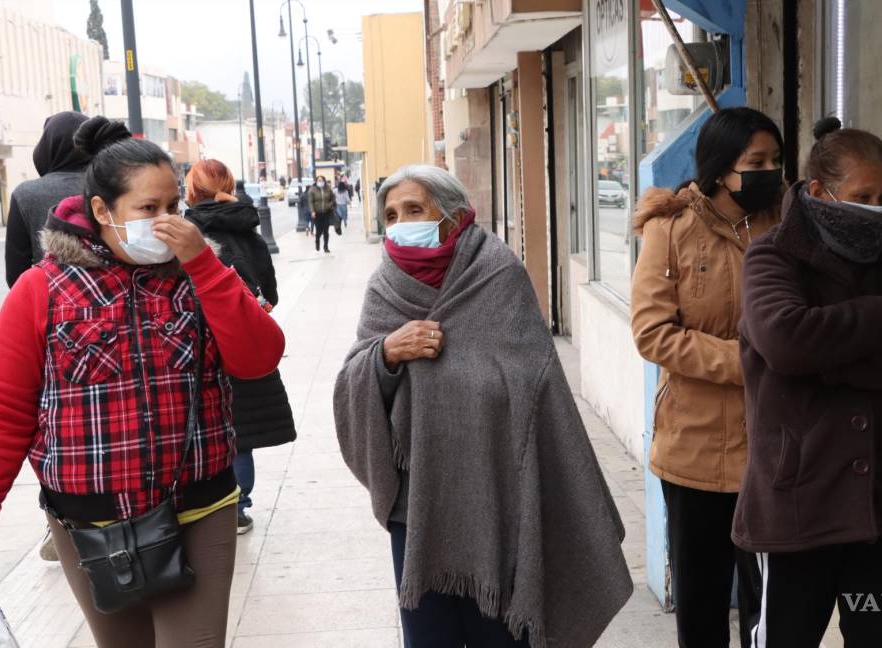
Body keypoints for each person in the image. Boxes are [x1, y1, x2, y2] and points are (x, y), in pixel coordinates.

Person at [0, 116, 285, 648]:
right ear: (103, 211)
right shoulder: (42, 290)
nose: (166, 223)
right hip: (91, 523)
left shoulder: (201, 274)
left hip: (199, 506)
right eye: (148, 210)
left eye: (174, 207)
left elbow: (259, 357)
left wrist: (203, 265)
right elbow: (3, 413)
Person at [333, 165, 633, 648]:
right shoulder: (384, 286)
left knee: (498, 631)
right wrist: (387, 353)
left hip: (498, 496)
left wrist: (462, 380)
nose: (400, 222)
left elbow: (533, 381)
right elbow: (352, 383)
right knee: (430, 636)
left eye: (415, 209)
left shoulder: (498, 273)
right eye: (391, 214)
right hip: (419, 505)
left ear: (453, 216)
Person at [733, 117, 882, 647]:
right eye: (862, 194)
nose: (875, 206)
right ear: (820, 192)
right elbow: (785, 341)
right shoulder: (773, 255)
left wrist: (824, 361)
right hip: (799, 498)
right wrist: (880, 315)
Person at [630, 106, 783, 648]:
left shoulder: (784, 224)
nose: (769, 170)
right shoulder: (669, 229)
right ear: (721, 168)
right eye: (756, 161)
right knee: (702, 603)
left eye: (775, 159)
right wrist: (747, 362)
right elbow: (653, 334)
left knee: (772, 609)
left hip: (772, 449)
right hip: (691, 450)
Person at [184, 159, 296, 535]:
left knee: (201, 426)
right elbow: (271, 292)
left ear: (191, 190)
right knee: (241, 433)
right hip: (243, 340)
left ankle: (209, 503)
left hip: (198, 344)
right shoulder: (249, 229)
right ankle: (239, 505)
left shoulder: (186, 232)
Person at [5, 111, 90, 287]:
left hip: (50, 301)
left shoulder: (26, 194)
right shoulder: (114, 186)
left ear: (47, 145)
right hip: (113, 301)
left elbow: (16, 272)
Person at [307, 175, 336, 253]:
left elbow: (333, 198)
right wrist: (312, 211)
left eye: (322, 180)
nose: (320, 182)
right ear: (316, 181)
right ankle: (317, 240)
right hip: (317, 214)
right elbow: (310, 202)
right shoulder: (312, 190)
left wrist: (329, 205)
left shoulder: (328, 188)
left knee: (326, 231)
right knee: (319, 231)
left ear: (324, 181)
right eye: (319, 180)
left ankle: (326, 247)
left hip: (326, 212)